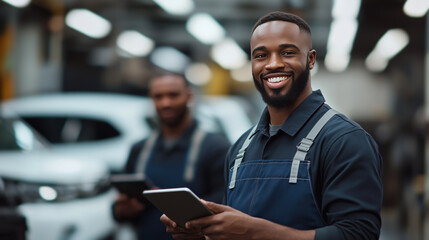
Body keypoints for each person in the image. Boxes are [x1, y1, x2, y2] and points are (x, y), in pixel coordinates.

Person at [160, 11, 383, 240]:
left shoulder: (344, 141)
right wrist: (201, 235)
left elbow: (359, 234)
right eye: (261, 55)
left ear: (311, 59)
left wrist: (254, 232)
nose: (273, 64)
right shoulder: (240, 149)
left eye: (287, 52)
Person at [112, 73, 231, 240]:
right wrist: (120, 210)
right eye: (158, 96)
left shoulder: (216, 148)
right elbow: (121, 210)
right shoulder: (139, 149)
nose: (165, 103)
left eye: (173, 95)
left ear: (189, 96)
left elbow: (225, 208)